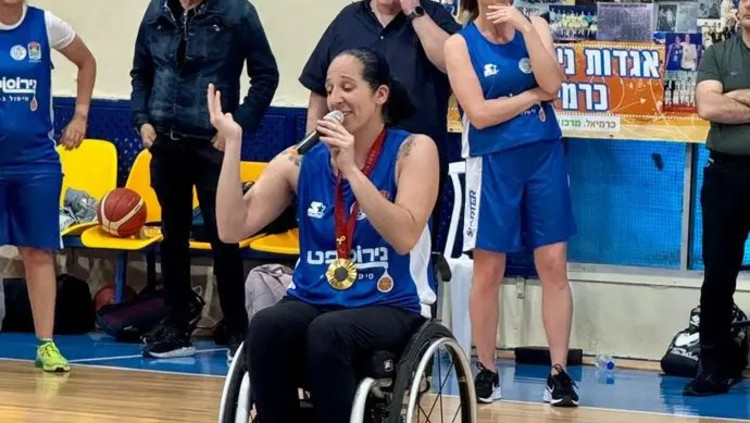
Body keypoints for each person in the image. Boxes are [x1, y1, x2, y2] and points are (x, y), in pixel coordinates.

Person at [214, 48, 439, 423]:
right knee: (267, 326)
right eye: (330, 89)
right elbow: (230, 228)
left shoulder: (413, 150)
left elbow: (404, 236)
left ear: (380, 94)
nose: (335, 98)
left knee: (327, 332)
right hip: (314, 297)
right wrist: (233, 144)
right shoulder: (300, 159)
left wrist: (351, 170)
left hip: (388, 303)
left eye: (347, 87)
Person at [445, 0, 578, 406]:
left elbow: (553, 85)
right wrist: (531, 96)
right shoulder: (459, 43)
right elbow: (480, 114)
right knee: (489, 268)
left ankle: (559, 373)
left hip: (544, 154)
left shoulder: (534, 25)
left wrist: (526, 29)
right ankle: (486, 369)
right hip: (492, 160)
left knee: (553, 264)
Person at [129, 0, 279, 360]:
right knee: (172, 235)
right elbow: (141, 72)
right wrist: (142, 119)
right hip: (166, 142)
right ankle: (177, 325)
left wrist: (236, 125)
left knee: (224, 235)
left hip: (213, 144)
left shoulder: (237, 12)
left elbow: (266, 76)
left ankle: (236, 327)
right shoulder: (157, 10)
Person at [299, 0, 461, 252]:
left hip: (415, 162)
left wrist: (414, 12)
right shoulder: (348, 18)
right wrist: (315, 153)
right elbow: (319, 89)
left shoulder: (432, 14)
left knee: (411, 246)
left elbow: (455, 64)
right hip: (351, 158)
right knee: (346, 246)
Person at [0, 0, 96, 372]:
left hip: (36, 162)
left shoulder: (45, 24)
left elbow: (87, 62)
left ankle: (46, 345)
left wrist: (81, 115)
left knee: (38, 253)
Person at [684, 0, 750, 396]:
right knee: (718, 276)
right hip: (726, 175)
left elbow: (721, 102)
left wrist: (738, 96)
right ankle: (713, 368)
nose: (747, 4)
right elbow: (707, 105)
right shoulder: (718, 54)